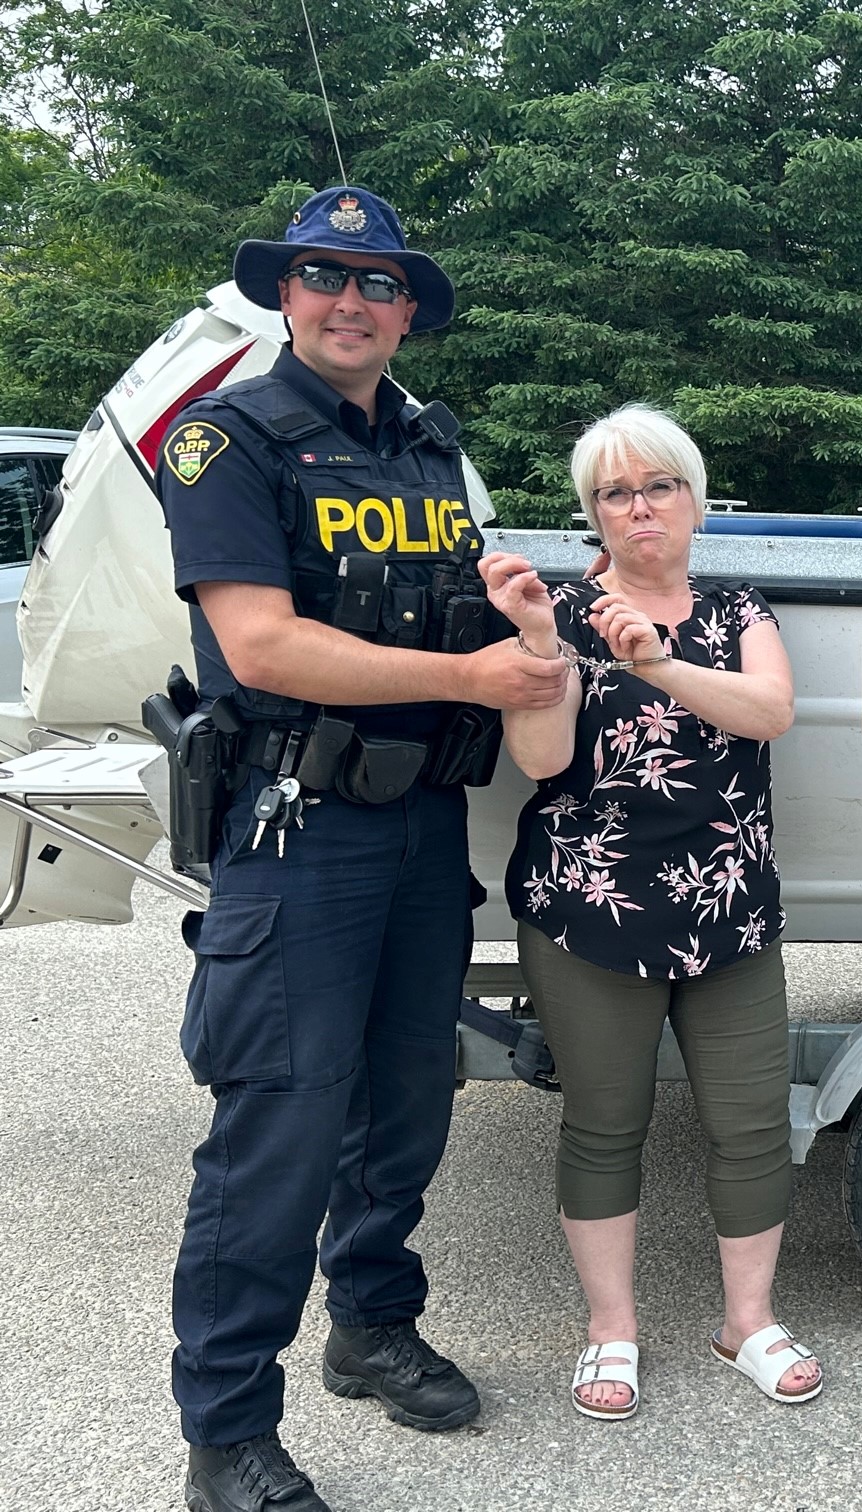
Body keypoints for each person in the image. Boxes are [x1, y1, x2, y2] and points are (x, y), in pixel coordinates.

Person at [160, 185, 572, 1512]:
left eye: (378, 283)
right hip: (300, 830)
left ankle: (373, 1325)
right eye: (326, 277)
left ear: (407, 312)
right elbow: (262, 644)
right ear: (286, 294)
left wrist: (508, 613)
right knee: (279, 1128)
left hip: (420, 827)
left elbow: (439, 600)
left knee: (407, 1102)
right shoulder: (231, 440)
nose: (351, 302)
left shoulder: (425, 446)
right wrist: (468, 680)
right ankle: (225, 1434)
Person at [477, 403, 819, 1423]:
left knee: (752, 1127)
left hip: (729, 913)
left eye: (659, 486)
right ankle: (610, 1333)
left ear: (694, 501)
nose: (640, 509)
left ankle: (746, 1324)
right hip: (589, 912)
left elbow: (771, 714)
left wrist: (657, 664)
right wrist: (546, 641)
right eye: (615, 494)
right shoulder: (557, 616)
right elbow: (539, 763)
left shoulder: (739, 611)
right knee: (604, 1124)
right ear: (593, 513)